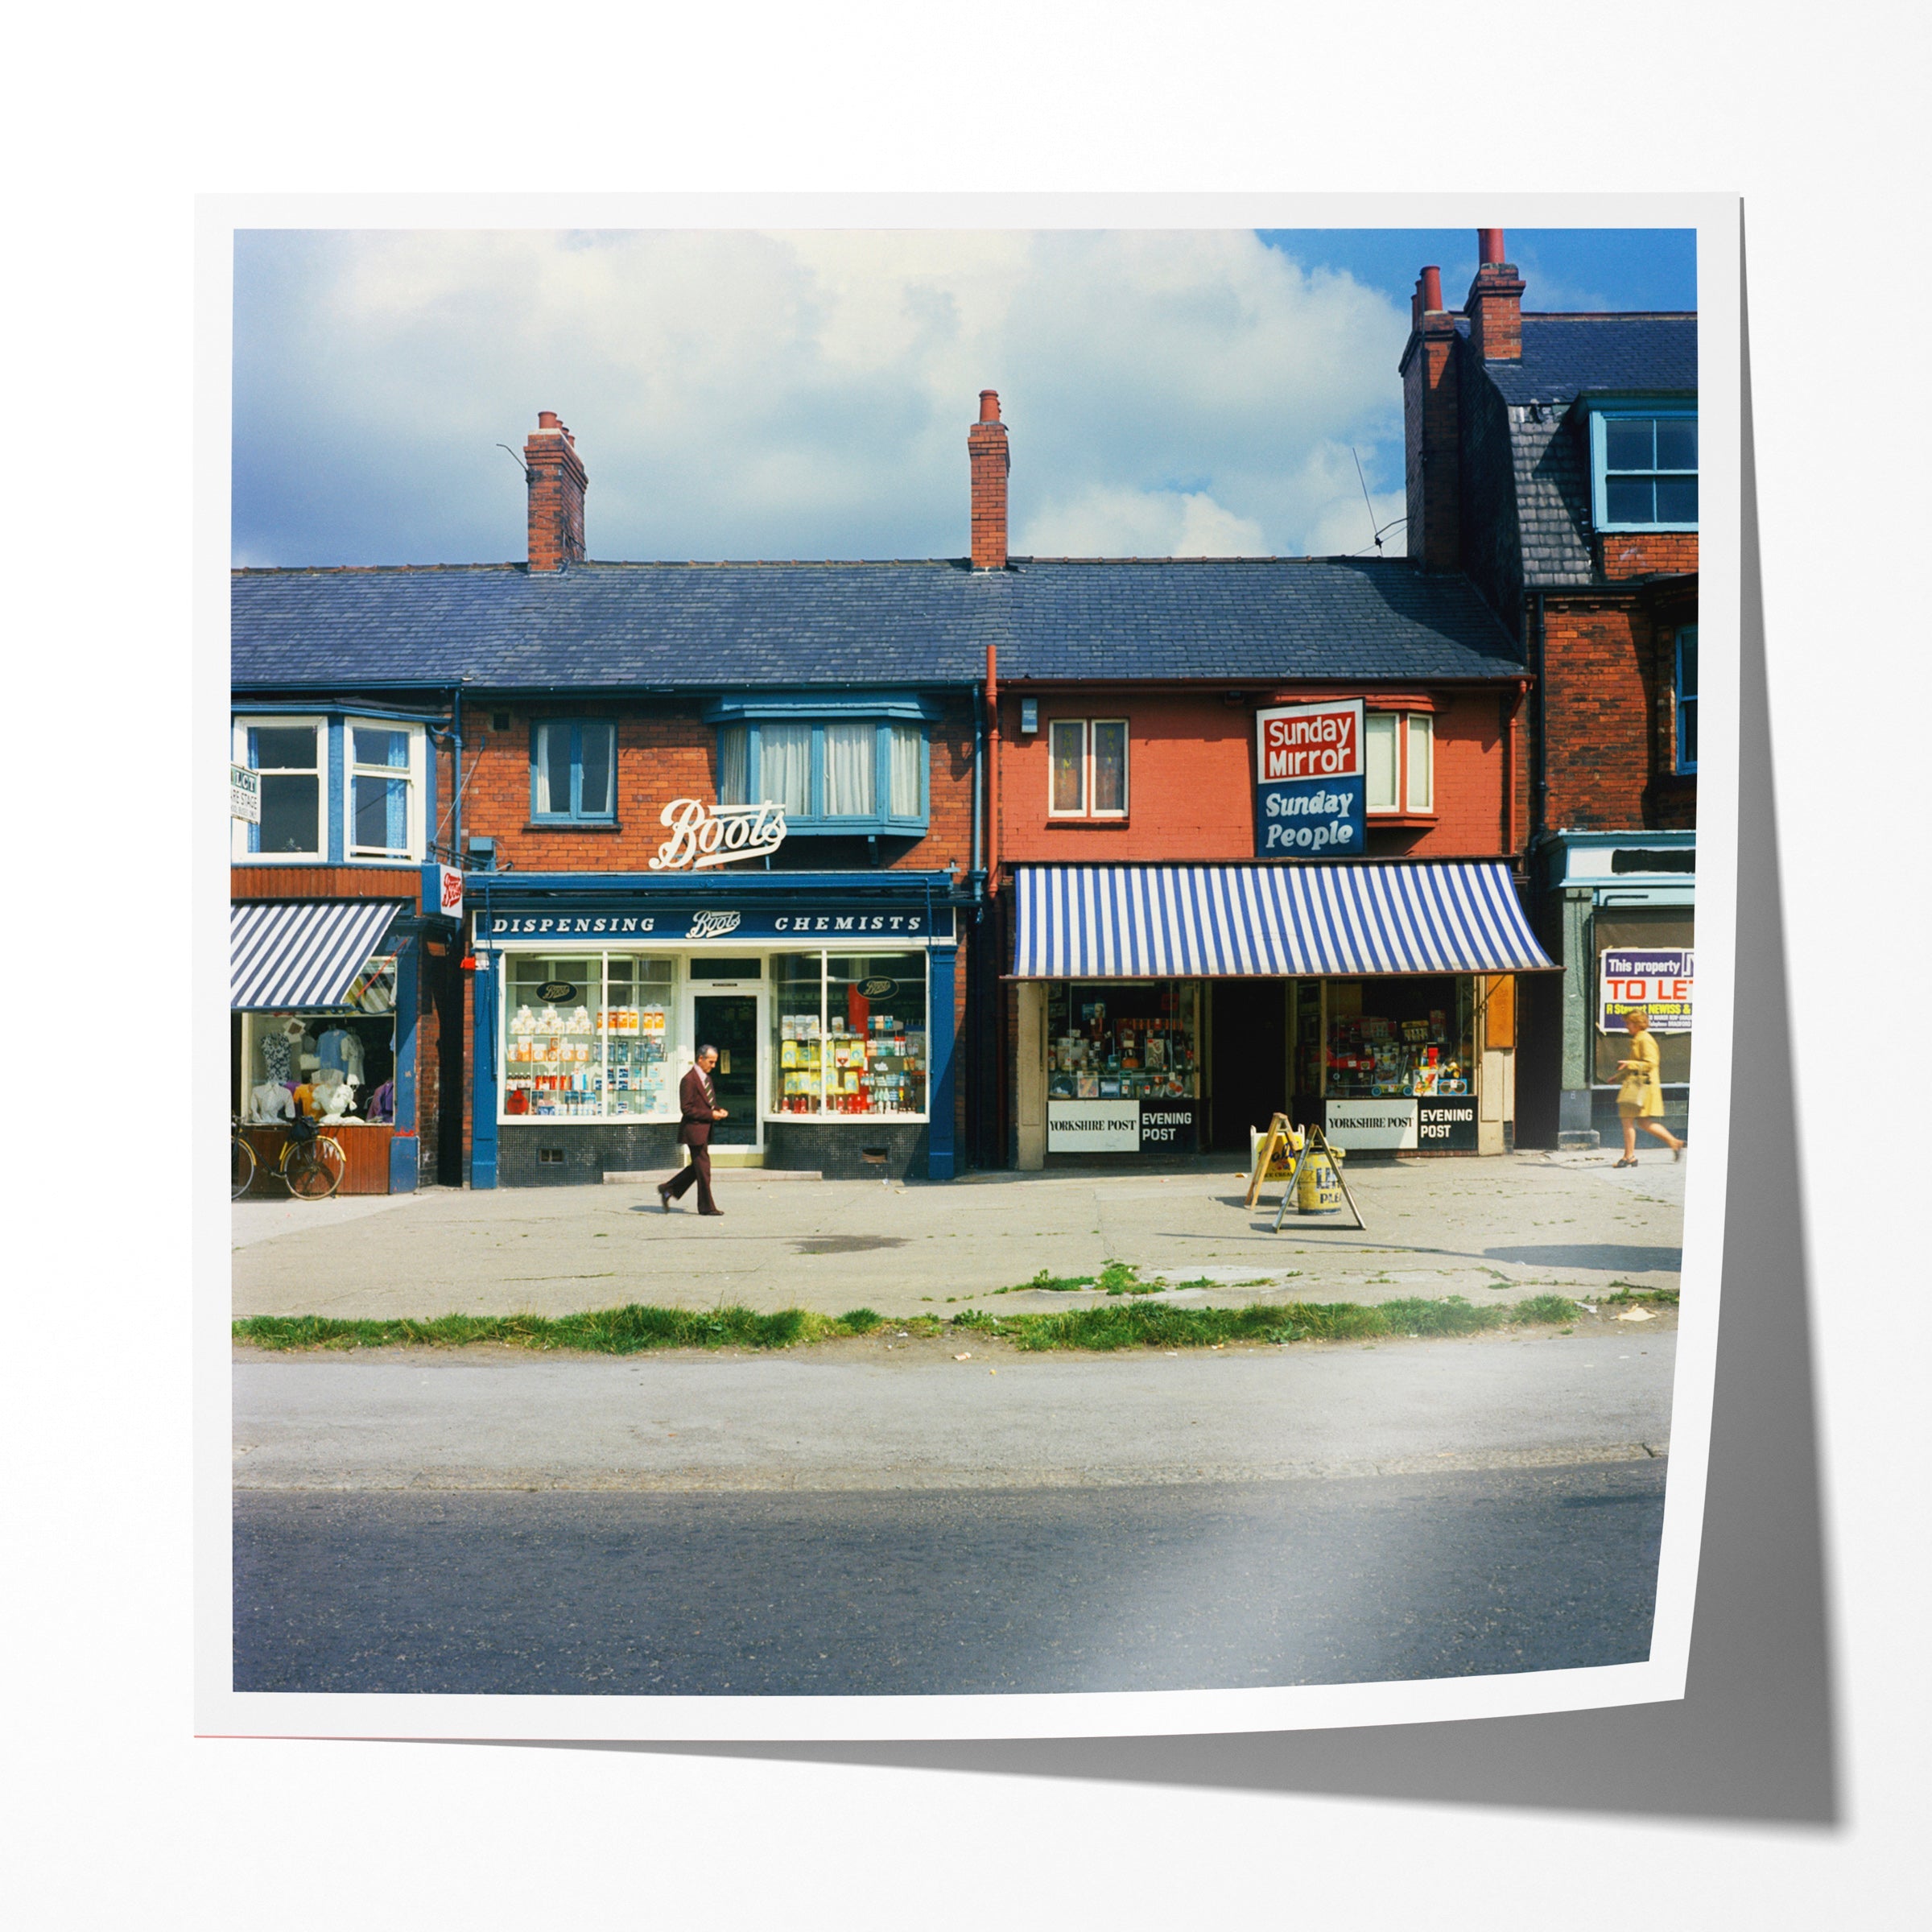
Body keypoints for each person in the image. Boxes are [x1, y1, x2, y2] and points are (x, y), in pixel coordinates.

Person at [658, 1045, 728, 1216]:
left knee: (698, 1168)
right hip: (693, 1131)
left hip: (704, 1130)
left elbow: (708, 1102)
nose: (713, 1066)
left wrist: (718, 1110)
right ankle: (707, 1207)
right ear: (700, 1059)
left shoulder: (706, 1079)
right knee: (703, 1170)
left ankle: (668, 1189)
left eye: (715, 1062)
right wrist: (711, 1115)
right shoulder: (689, 1080)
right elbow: (687, 1109)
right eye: (711, 1062)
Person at [1613, 1009, 1684, 1166]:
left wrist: (1629, 1064)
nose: (1627, 1026)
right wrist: (1617, 1077)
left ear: (1638, 1024)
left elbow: (1651, 1063)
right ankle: (1674, 1142)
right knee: (1644, 1122)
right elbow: (1638, 1063)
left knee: (1627, 1120)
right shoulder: (1639, 1039)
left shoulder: (1645, 1040)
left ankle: (1629, 1156)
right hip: (1641, 1087)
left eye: (1629, 1023)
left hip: (1641, 1088)